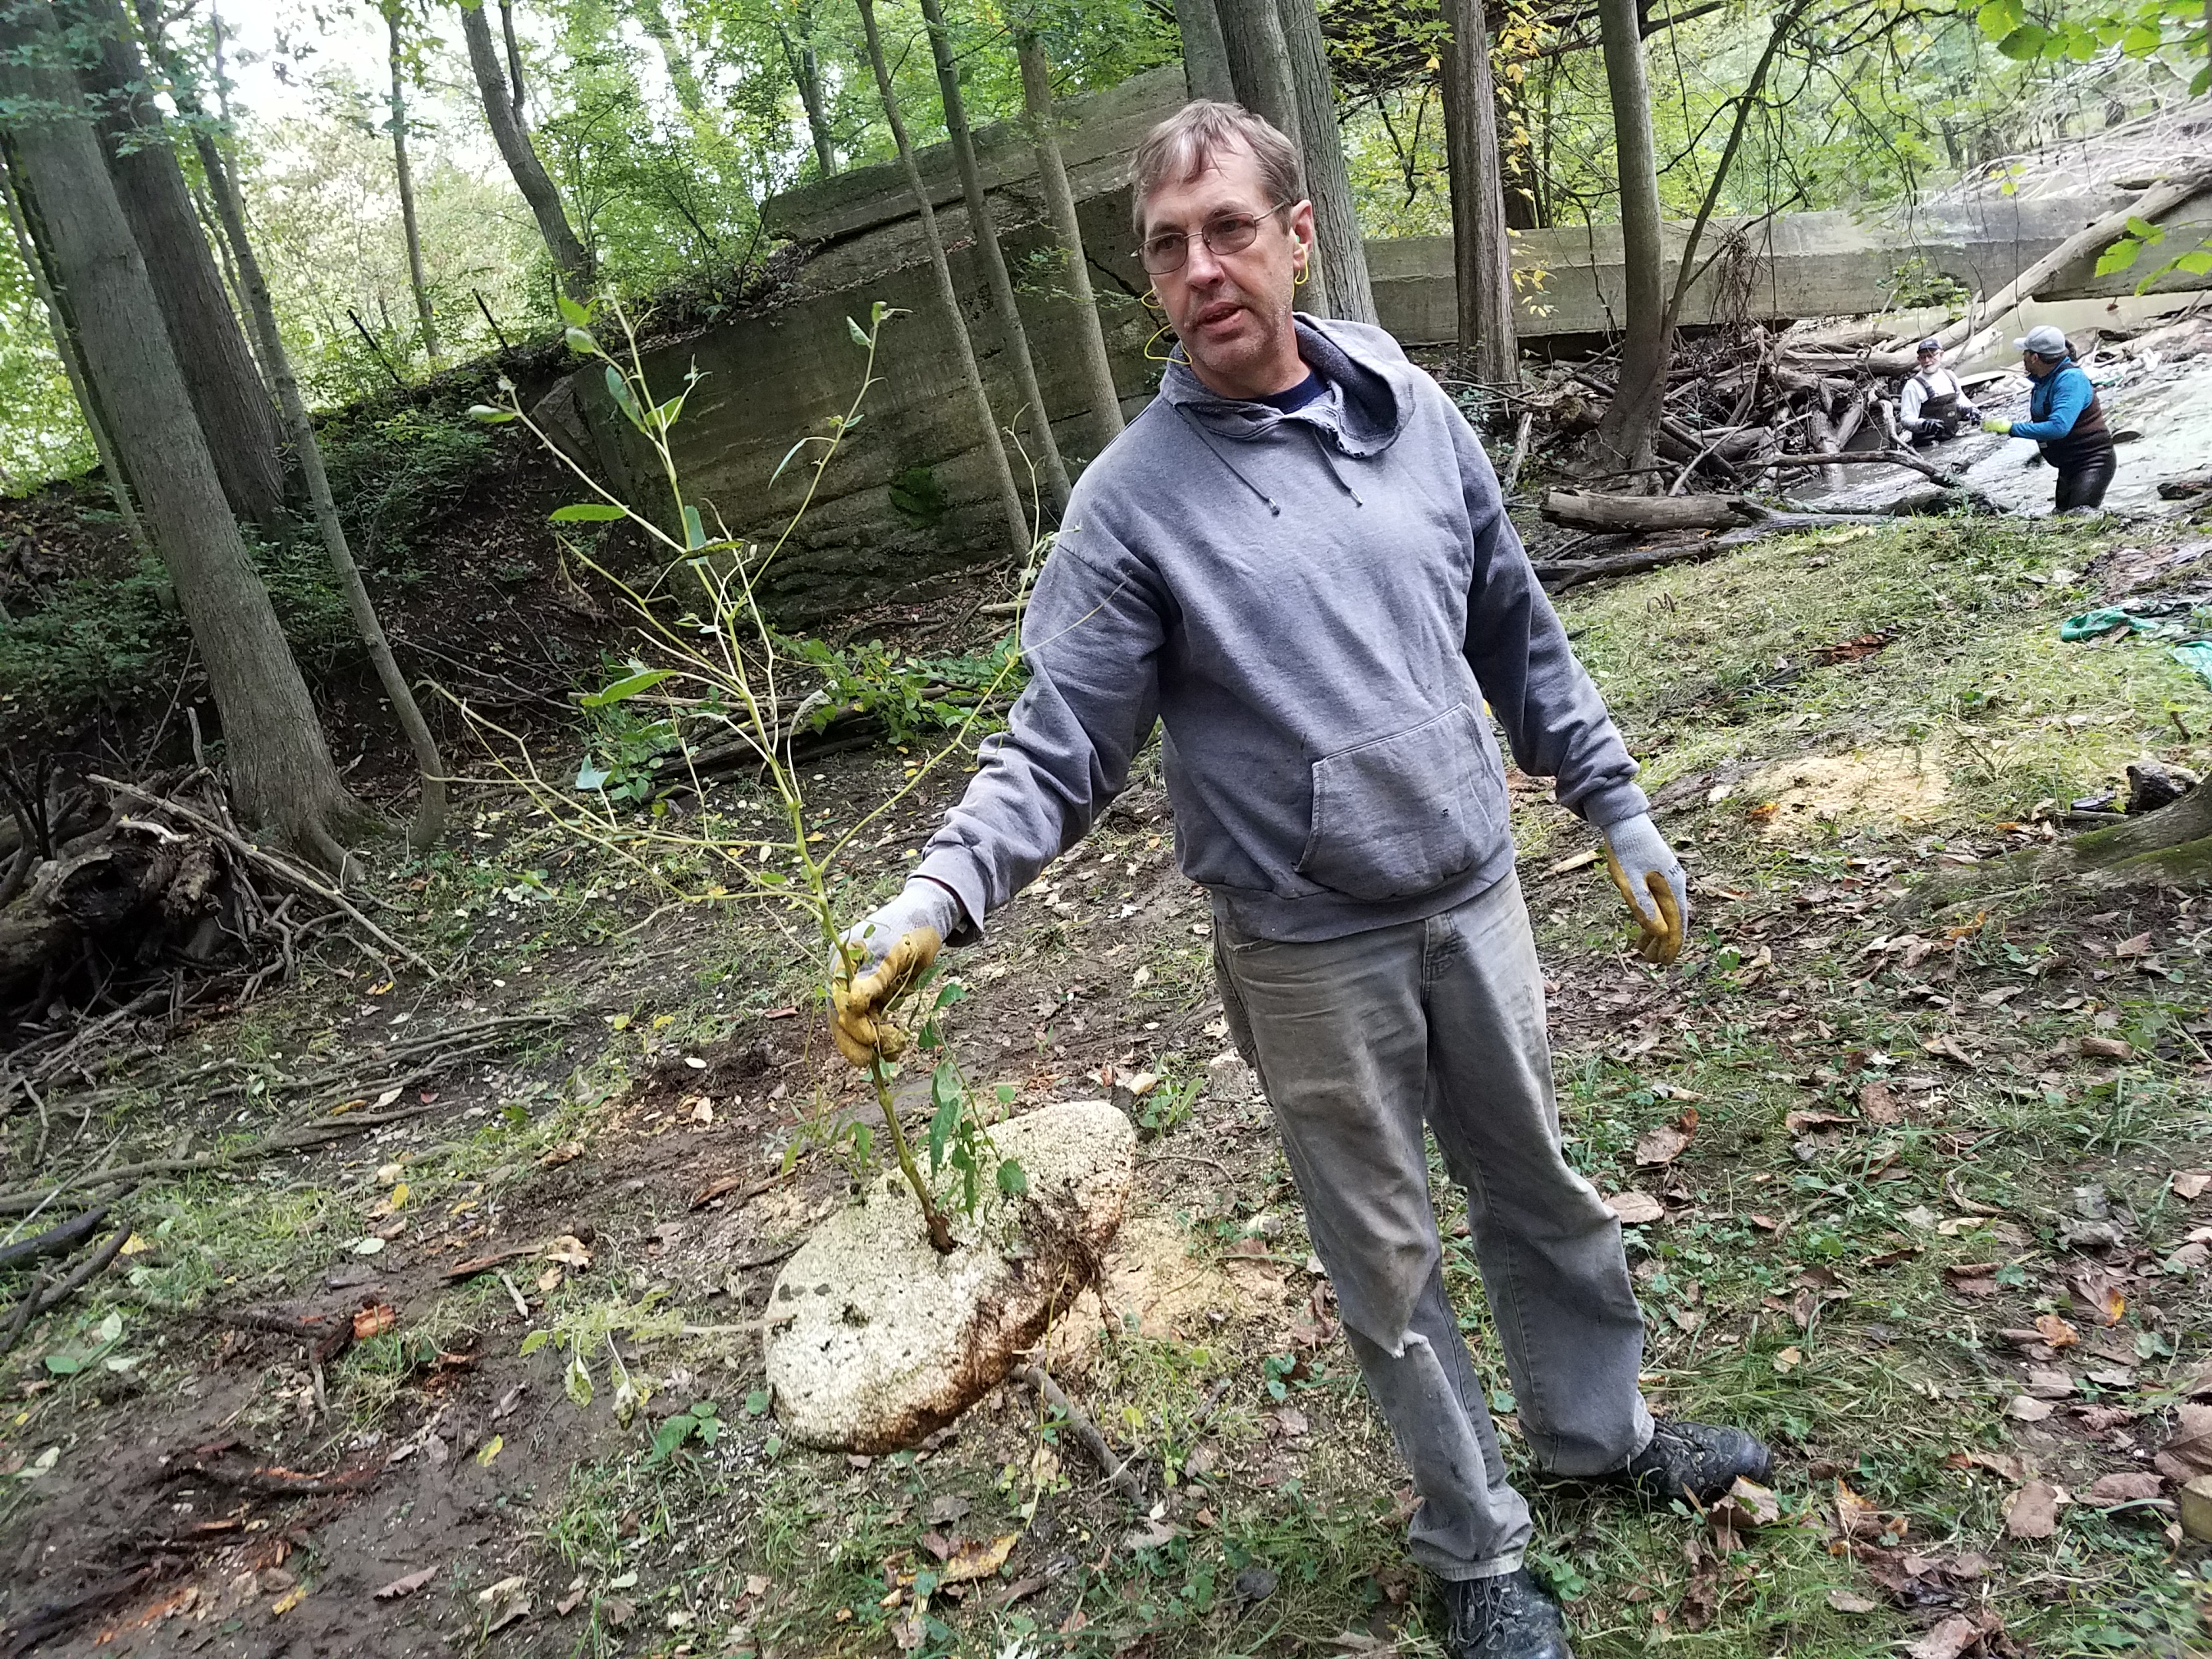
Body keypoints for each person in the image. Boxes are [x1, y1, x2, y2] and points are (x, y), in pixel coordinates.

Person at [833, 101, 1770, 1659]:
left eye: (1228, 230)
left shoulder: (1406, 406)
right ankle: (1477, 1550)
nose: (1202, 267)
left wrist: (1617, 806)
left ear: (1295, 236)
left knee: (1541, 1188)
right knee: (1385, 1257)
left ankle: (1597, 1438)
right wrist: (935, 898)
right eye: (1167, 245)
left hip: (1475, 893)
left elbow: (1513, 628)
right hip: (1305, 948)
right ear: (1150, 275)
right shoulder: (1130, 506)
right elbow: (1057, 745)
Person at [1982, 323, 2116, 512]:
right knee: (2061, 518)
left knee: (2078, 520)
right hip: (2068, 464)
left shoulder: (2071, 380)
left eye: (2025, 353)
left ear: (2035, 357)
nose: (2023, 358)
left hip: (2092, 462)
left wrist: (2012, 428)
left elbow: (2058, 427)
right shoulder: (2045, 379)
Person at [1896, 336, 1978, 443]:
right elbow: (1906, 419)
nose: (1927, 361)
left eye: (1931, 356)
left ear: (1941, 354)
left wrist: (1971, 409)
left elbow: (1960, 399)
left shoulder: (1950, 376)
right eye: (1923, 357)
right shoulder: (1913, 386)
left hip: (1953, 437)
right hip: (1927, 443)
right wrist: (1923, 424)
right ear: (1918, 359)